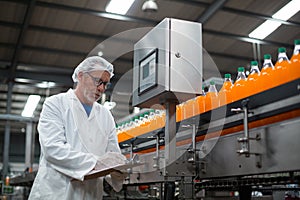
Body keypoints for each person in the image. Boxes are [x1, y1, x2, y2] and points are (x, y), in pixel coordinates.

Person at [29, 56, 126, 200]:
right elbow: (53, 149)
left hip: (91, 194)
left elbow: (112, 154)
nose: (101, 88)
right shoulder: (55, 104)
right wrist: (96, 163)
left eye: (105, 84)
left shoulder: (105, 115)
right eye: (97, 81)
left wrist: (119, 169)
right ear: (80, 76)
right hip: (57, 193)